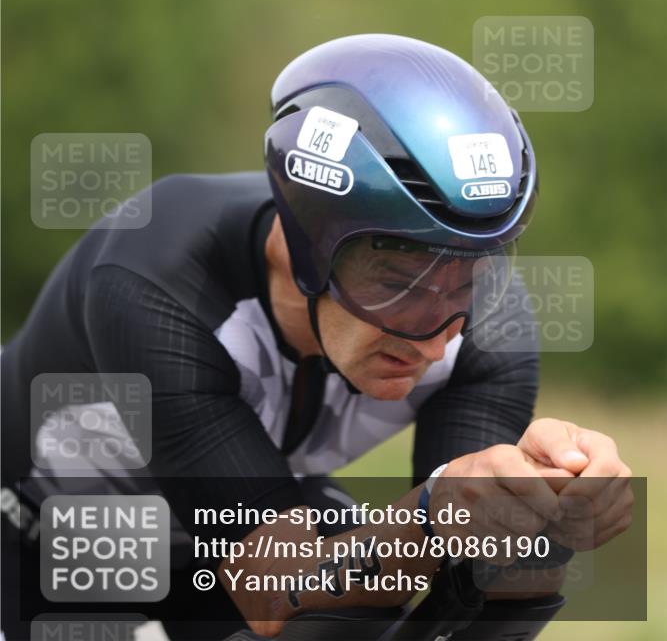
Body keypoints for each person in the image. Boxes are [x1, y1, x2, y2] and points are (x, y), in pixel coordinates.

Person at [1, 34, 632, 641]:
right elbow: (274, 588)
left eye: (471, 274)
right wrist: (431, 514)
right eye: (397, 280)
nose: (435, 340)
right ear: (307, 242)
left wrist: (545, 511)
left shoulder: (489, 328)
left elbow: (458, 582)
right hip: (38, 539)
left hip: (208, 541)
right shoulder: (154, 279)